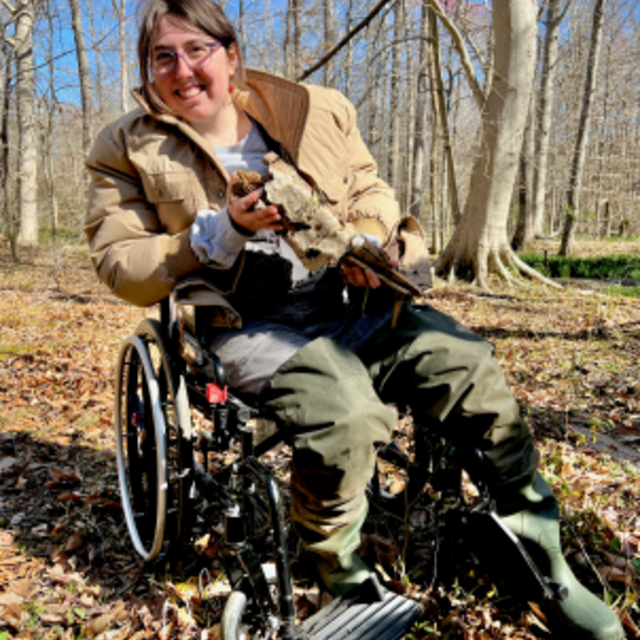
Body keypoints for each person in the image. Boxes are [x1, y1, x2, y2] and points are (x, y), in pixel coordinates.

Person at [85, 1, 623, 638]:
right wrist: (221, 229)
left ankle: (538, 544)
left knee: (467, 363)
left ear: (231, 56)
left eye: (196, 49)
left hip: (344, 298)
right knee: (346, 407)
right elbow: (122, 265)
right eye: (163, 57)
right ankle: (341, 575)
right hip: (243, 324)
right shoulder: (124, 145)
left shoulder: (313, 108)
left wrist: (371, 241)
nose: (182, 70)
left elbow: (370, 188)